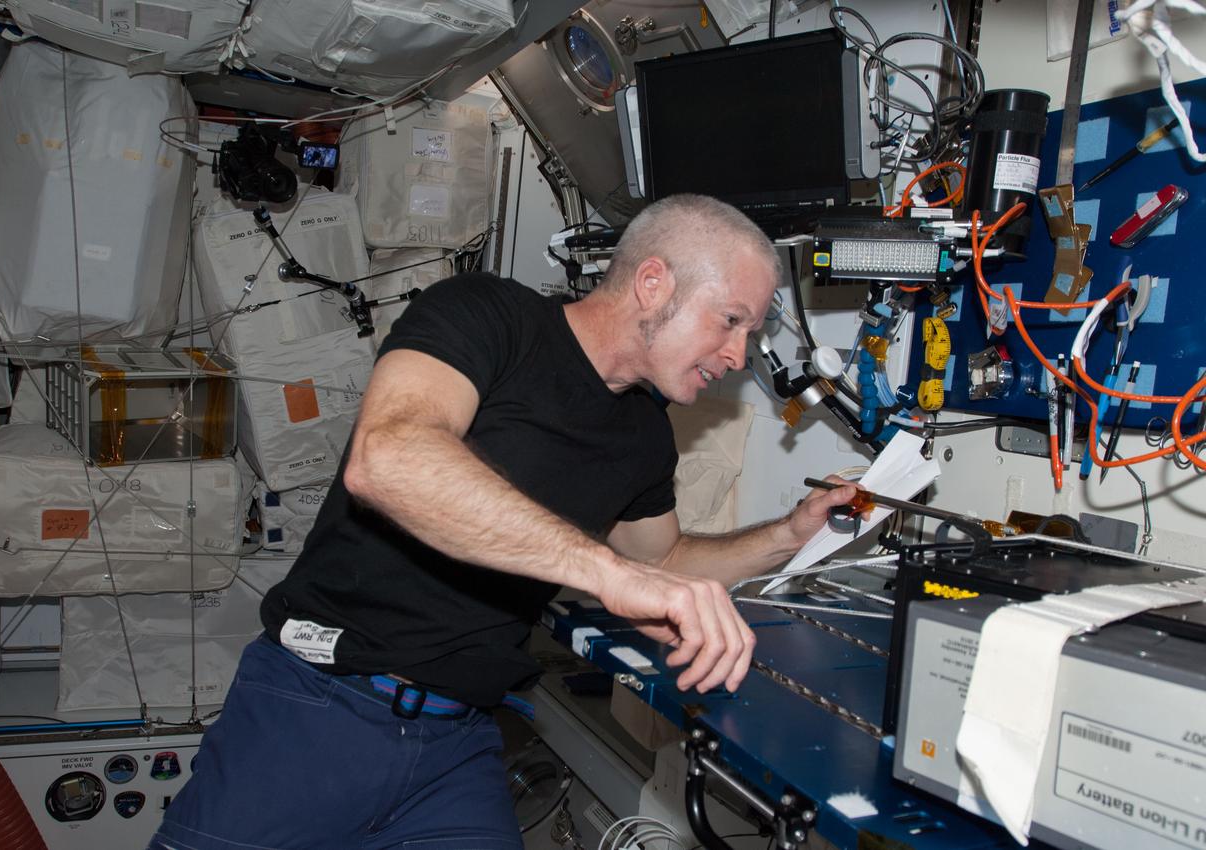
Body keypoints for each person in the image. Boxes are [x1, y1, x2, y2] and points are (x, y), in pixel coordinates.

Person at [148, 194, 856, 850]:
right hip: (319, 705)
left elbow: (661, 565)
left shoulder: (644, 433)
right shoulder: (487, 315)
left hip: (455, 744)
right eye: (731, 320)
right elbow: (389, 459)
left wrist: (791, 534)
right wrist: (604, 571)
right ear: (653, 284)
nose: (738, 355)